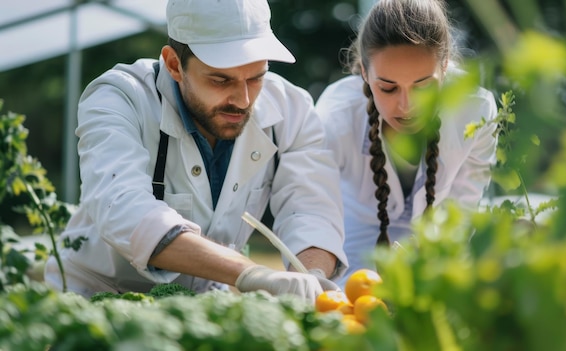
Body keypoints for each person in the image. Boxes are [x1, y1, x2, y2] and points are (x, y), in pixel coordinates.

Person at [44, 0, 347, 303]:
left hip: (199, 304)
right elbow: (122, 208)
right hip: (97, 296)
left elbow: (310, 210)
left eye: (256, 77)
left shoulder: (293, 110)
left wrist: (310, 279)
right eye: (221, 80)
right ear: (174, 64)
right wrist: (249, 273)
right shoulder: (120, 97)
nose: (243, 100)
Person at [315, 0, 498, 287]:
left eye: (423, 86)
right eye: (388, 88)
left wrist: (430, 256)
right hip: (354, 241)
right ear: (364, 72)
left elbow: (462, 206)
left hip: (437, 243)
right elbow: (315, 206)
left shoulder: (475, 109)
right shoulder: (335, 115)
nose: (406, 106)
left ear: (446, 66)